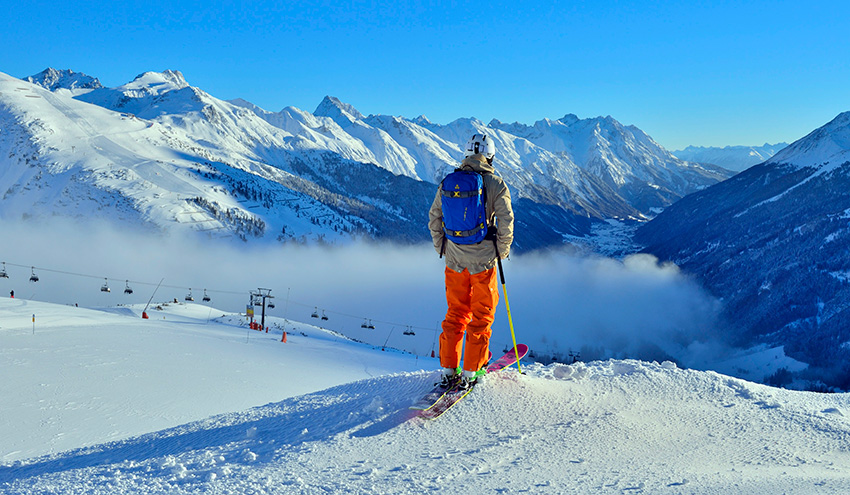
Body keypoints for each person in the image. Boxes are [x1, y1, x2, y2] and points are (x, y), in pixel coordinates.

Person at [428, 133, 514, 390]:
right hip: (483, 263)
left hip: (454, 261)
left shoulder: (448, 182)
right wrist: (501, 251)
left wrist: (442, 248)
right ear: (491, 155)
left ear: (466, 153)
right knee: (481, 316)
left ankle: (448, 368)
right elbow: (506, 222)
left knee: (455, 314)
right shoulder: (496, 184)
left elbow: (434, 217)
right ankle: (472, 370)